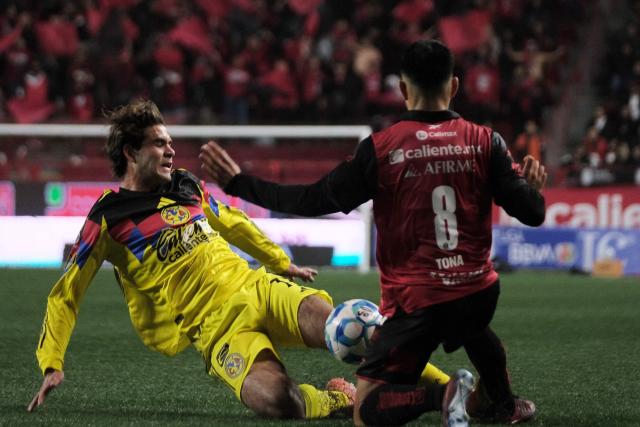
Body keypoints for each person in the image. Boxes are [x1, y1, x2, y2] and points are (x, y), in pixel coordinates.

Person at [199, 39, 547, 426]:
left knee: (366, 412)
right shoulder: (486, 141)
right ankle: (503, 404)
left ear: (401, 89)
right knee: (475, 326)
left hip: (419, 303)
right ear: (454, 86)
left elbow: (312, 200)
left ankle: (443, 393)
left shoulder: (382, 150)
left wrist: (239, 183)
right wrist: (531, 189)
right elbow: (531, 213)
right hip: (478, 293)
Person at [27, 99, 361, 420]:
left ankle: (411, 380)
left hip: (256, 287)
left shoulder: (185, 184)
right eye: (159, 143)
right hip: (215, 329)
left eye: (170, 141)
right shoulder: (107, 217)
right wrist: (52, 361)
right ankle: (338, 398)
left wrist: (278, 261)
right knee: (280, 402)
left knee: (345, 328)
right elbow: (65, 296)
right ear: (131, 152)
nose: (171, 149)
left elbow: (231, 221)